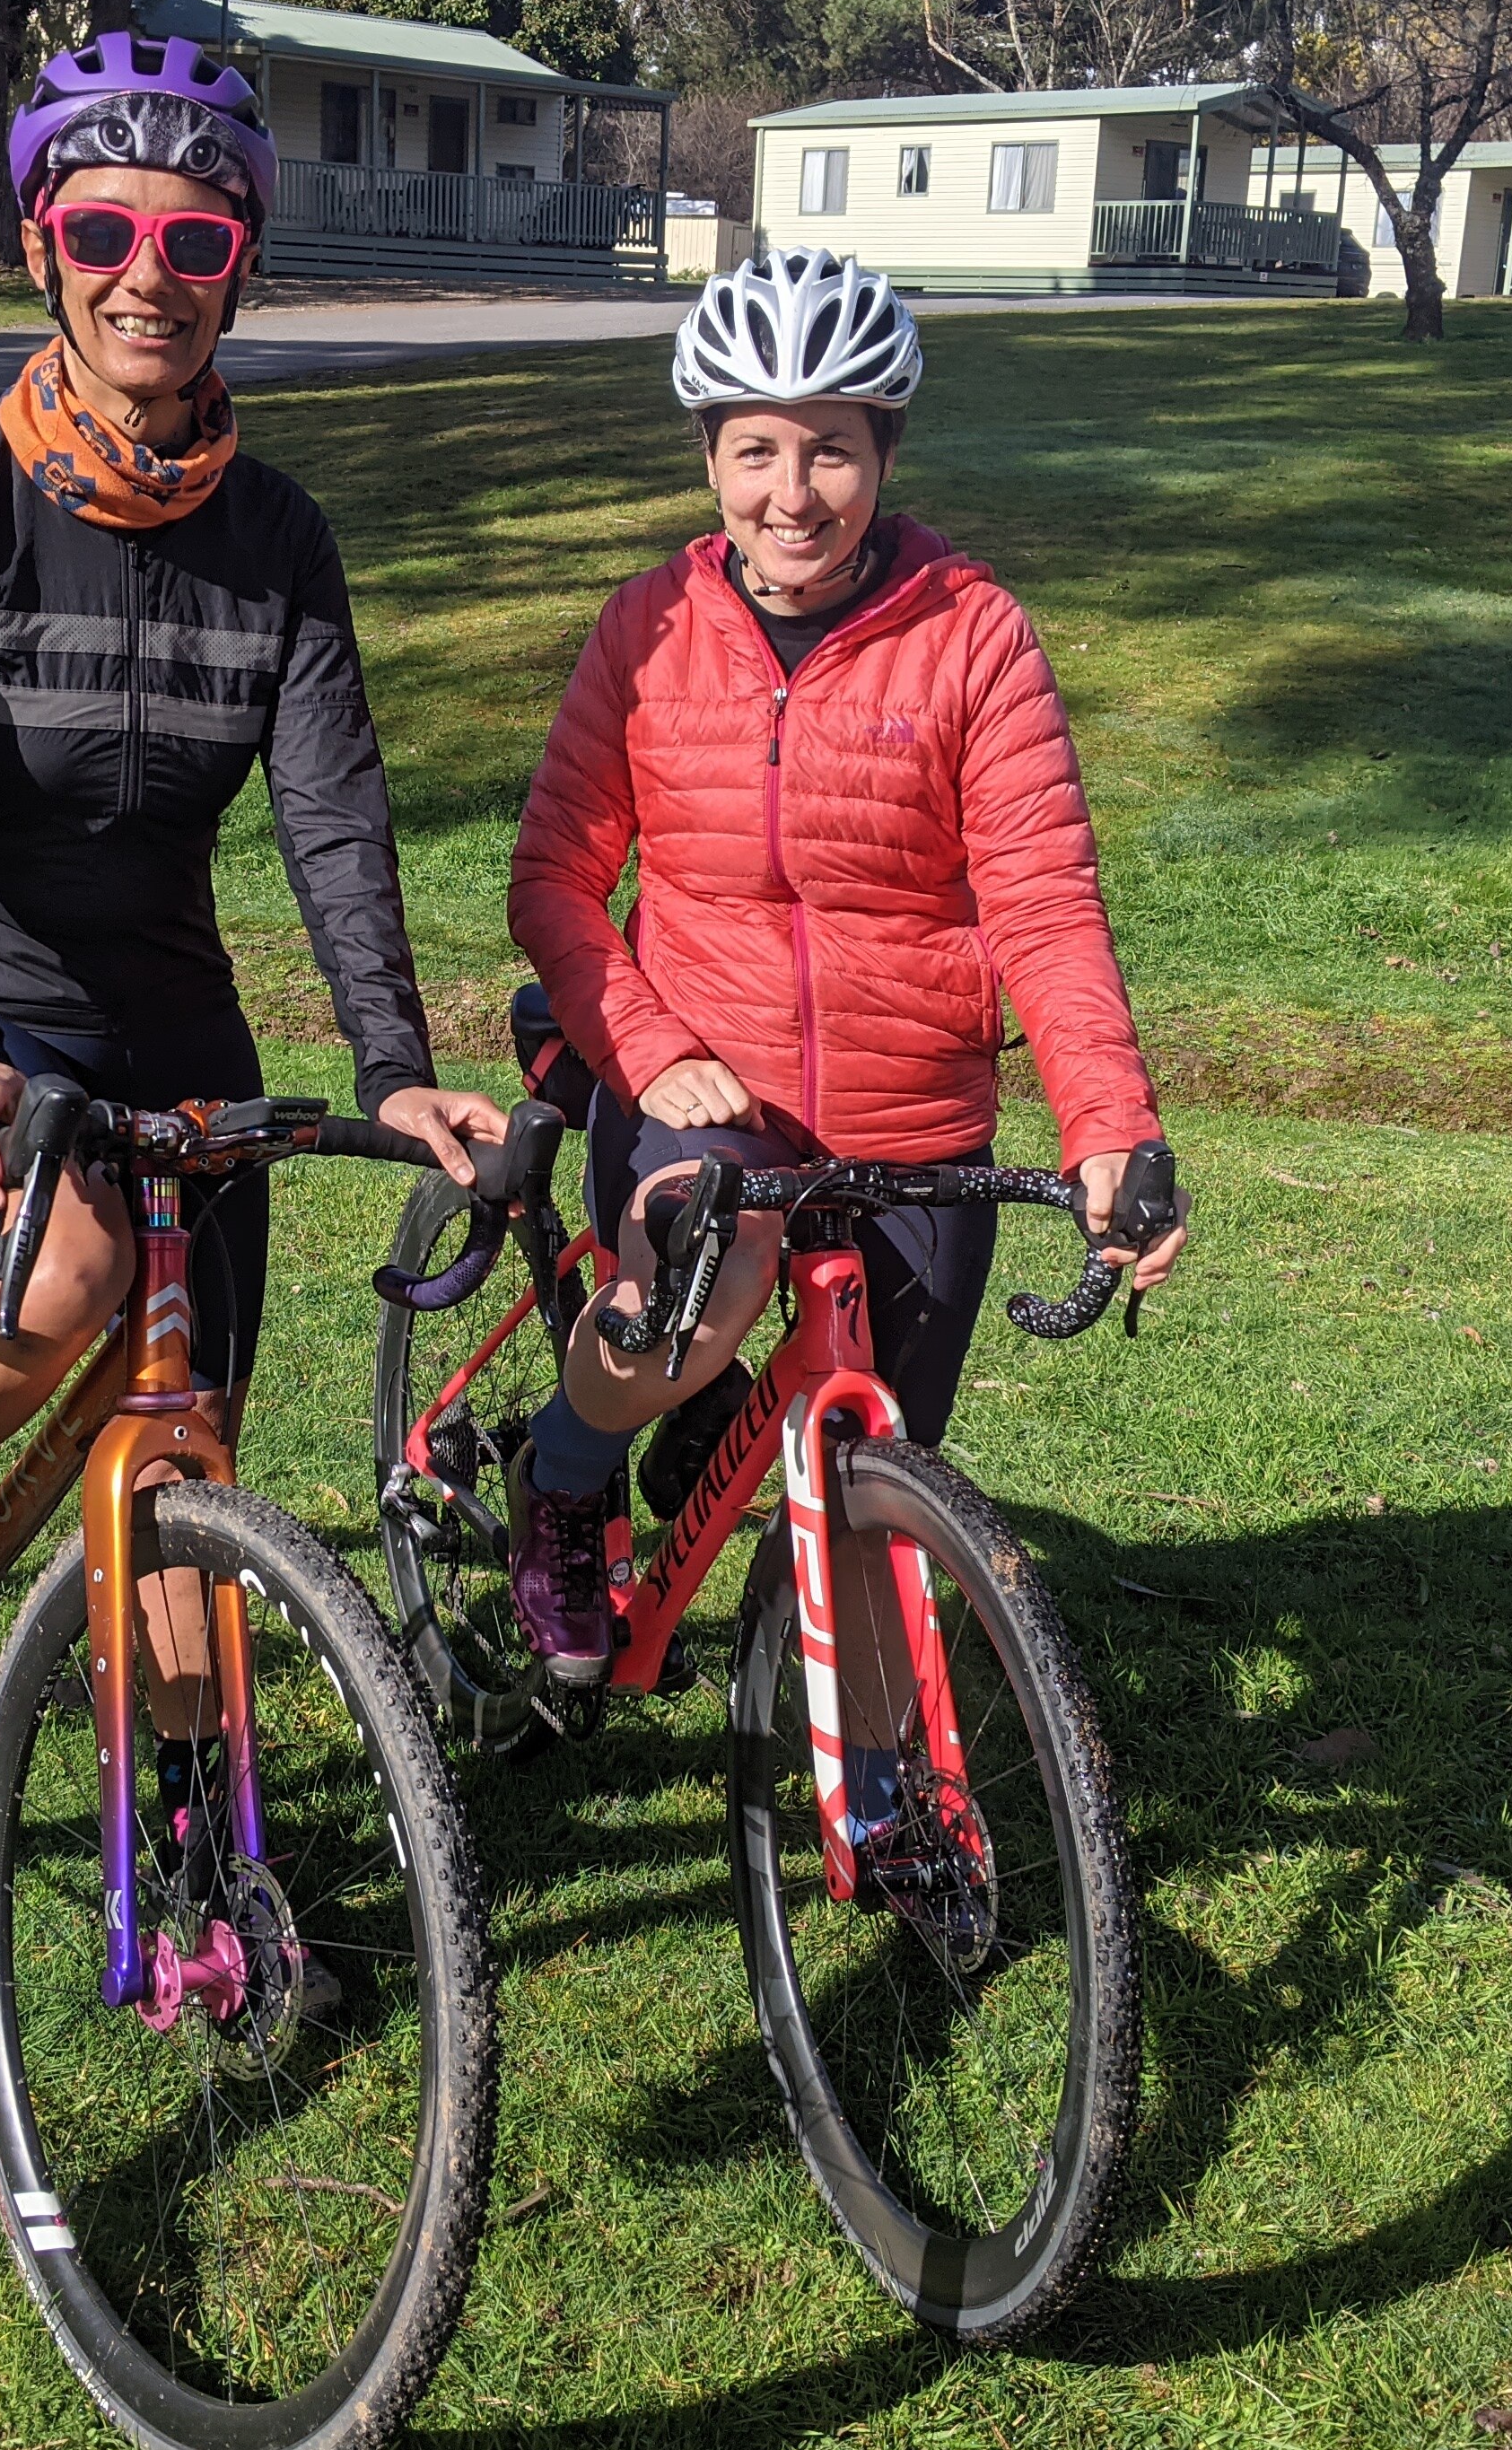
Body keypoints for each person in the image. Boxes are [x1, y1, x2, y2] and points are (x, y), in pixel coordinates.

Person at [0, 32, 505, 1868]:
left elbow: (332, 821)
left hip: (171, 1012)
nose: (145, 278)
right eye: (105, 233)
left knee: (188, 1427)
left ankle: (195, 1851)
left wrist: (396, 1065)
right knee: (71, 1250)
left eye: (193, 242)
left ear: (243, 261)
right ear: (43, 248)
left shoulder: (279, 539)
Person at [502, 247, 1190, 1745]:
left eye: (830, 448)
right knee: (698, 1293)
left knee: (881, 1481)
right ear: (710, 457)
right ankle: (561, 1474)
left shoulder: (974, 635)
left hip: (913, 1122)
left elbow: (1045, 901)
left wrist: (1111, 1124)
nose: (790, 492)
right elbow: (554, 877)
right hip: (708, 1094)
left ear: (884, 452)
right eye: (755, 449)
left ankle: (888, 1813)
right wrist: (650, 1043)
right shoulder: (650, 630)